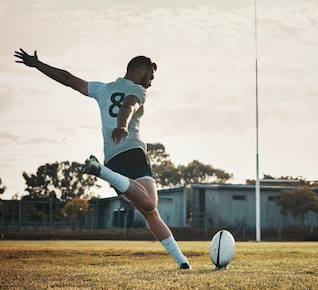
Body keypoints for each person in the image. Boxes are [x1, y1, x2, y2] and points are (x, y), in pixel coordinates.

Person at [14, 49, 191, 269]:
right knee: (150, 203)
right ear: (142, 70)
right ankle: (100, 171)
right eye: (150, 77)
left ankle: (182, 262)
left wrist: (38, 65)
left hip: (114, 160)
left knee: (149, 212)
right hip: (132, 152)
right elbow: (129, 105)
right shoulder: (138, 90)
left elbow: (69, 79)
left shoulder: (102, 88)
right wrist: (122, 125)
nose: (151, 83)